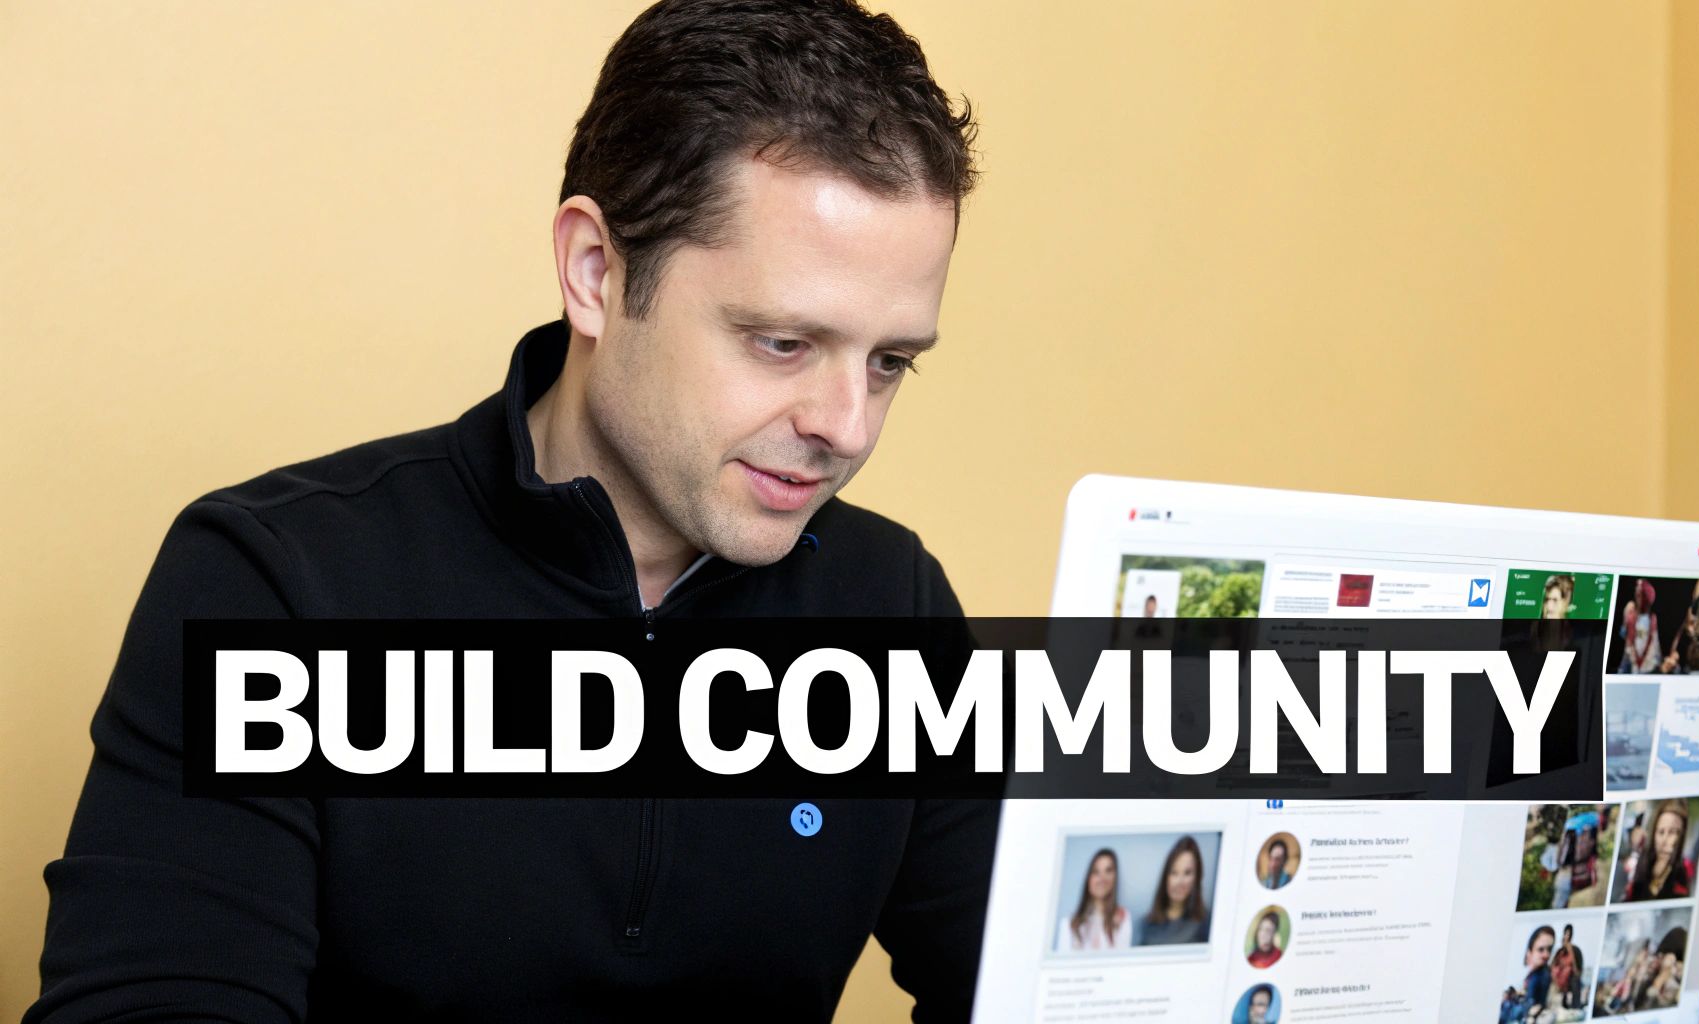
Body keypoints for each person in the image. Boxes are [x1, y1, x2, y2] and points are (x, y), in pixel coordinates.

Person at [28, 2, 998, 1021]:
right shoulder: (274, 581)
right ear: (594, 271)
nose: (845, 426)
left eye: (889, 362)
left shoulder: (895, 608)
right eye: (782, 343)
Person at [1139, 836, 1210, 945]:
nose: (1179, 882)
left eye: (1187, 873)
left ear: (1197, 877)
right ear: (1166, 877)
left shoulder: (1207, 922)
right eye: (1174, 872)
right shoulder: (1146, 923)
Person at [1059, 849, 1133, 951]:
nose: (1102, 878)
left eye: (1108, 871)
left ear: (1115, 877)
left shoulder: (1123, 918)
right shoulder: (1068, 924)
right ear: (1088, 879)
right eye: (1096, 872)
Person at [1625, 799, 1696, 901]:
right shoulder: (1640, 866)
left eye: (1672, 832)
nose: (1664, 840)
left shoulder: (1686, 871)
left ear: (1682, 835)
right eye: (1661, 832)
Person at [1617, 578, 1662, 673]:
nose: (1638, 598)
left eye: (1640, 595)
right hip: (1630, 663)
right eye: (1637, 595)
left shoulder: (1652, 619)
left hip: (1647, 666)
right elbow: (1623, 634)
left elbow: (1655, 644)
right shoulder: (1631, 615)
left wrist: (1656, 663)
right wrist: (1625, 619)